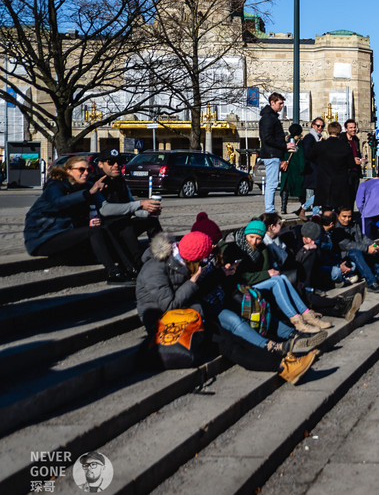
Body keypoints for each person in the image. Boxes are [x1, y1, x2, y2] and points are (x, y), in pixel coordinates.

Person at [135, 230, 321, 383]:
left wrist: (219, 273)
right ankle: (283, 364)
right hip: (164, 325)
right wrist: (193, 280)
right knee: (229, 342)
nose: (205, 263)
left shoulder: (180, 261)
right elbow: (169, 305)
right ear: (192, 259)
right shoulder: (154, 270)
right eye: (203, 259)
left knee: (233, 325)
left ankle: (282, 355)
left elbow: (196, 290)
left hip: (190, 313)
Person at [24, 155, 135, 282]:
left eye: (89, 170)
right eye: (81, 169)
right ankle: (113, 274)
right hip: (43, 238)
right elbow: (58, 203)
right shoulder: (55, 185)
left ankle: (130, 268)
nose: (86, 173)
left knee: (105, 227)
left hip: (65, 234)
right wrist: (88, 193)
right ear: (68, 171)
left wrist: (89, 219)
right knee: (94, 231)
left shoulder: (84, 186)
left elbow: (88, 212)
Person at [222, 219, 330, 334]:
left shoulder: (261, 249)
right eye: (251, 237)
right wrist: (266, 273)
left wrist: (266, 268)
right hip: (241, 287)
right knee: (277, 281)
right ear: (246, 234)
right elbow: (242, 277)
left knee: (281, 278)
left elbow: (266, 270)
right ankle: (297, 321)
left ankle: (306, 314)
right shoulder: (235, 246)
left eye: (258, 238)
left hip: (253, 283)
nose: (254, 241)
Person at [97, 148, 162, 268]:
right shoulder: (97, 182)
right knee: (126, 228)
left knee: (151, 220)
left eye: (118, 162)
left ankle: (162, 255)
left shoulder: (120, 180)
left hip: (123, 223)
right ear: (100, 164)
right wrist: (140, 204)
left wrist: (148, 212)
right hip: (107, 229)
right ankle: (138, 266)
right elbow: (104, 210)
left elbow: (131, 205)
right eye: (111, 162)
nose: (116, 165)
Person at [330, 207, 379, 293]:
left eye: (349, 216)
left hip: (358, 252)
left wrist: (374, 245)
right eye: (344, 216)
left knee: (373, 250)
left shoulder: (354, 224)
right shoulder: (336, 229)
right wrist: (366, 248)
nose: (347, 219)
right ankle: (372, 282)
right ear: (338, 215)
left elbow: (363, 238)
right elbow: (347, 245)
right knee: (355, 253)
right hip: (344, 257)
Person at [312, 122, 355, 210]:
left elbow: (311, 157)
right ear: (339, 131)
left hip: (325, 181)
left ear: (328, 131)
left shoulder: (321, 145)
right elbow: (351, 164)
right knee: (339, 209)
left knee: (326, 210)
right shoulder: (345, 146)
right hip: (340, 182)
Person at [259, 93, 290, 214]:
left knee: (272, 183)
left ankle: (270, 210)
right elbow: (267, 138)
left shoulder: (271, 117)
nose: (282, 106)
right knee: (272, 184)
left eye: (282, 103)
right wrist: (284, 145)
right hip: (271, 154)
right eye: (280, 103)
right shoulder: (268, 118)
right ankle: (270, 211)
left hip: (273, 154)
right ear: (272, 102)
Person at [280, 123, 307, 215]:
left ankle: (283, 207)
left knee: (285, 188)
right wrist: (303, 169)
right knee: (300, 189)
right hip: (297, 170)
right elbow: (302, 157)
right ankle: (303, 206)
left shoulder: (285, 143)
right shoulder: (301, 143)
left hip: (287, 169)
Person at [300, 118, 324, 212]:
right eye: (318, 126)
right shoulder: (309, 137)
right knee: (319, 193)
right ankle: (304, 208)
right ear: (313, 125)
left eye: (322, 126)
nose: (320, 128)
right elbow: (307, 153)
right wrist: (318, 145)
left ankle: (315, 214)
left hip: (317, 170)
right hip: (312, 169)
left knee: (318, 192)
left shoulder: (319, 137)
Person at [343, 119, 364, 197]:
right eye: (351, 128)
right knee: (346, 196)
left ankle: (350, 209)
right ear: (346, 129)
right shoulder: (342, 139)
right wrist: (352, 160)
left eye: (354, 127)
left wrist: (361, 160)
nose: (353, 129)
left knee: (354, 195)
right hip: (346, 172)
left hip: (355, 171)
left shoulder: (356, 140)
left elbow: (356, 154)